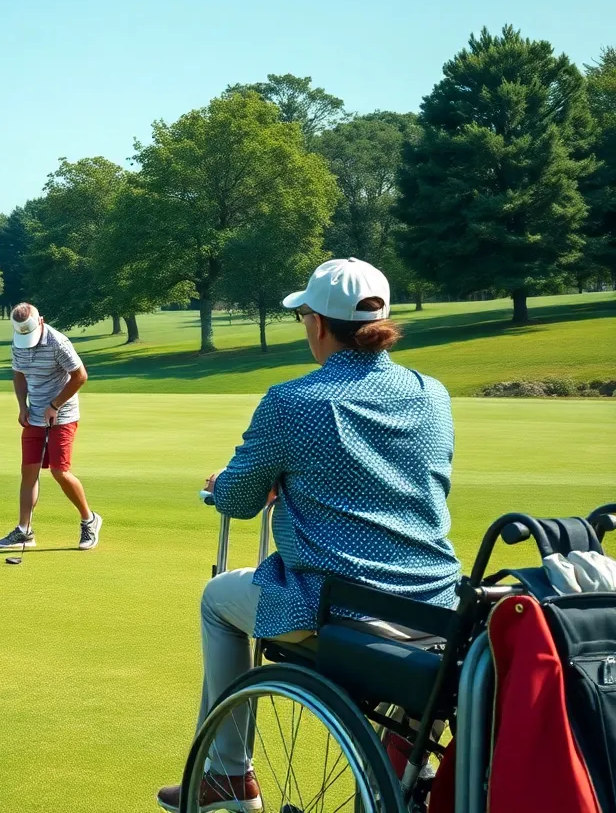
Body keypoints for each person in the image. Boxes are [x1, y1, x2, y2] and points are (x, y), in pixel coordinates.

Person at [156, 258, 460, 812]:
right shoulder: (431, 393)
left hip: (336, 607)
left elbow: (238, 501)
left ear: (318, 324)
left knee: (217, 599)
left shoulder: (293, 402)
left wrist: (237, 483)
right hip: (436, 606)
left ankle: (227, 775)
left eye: (303, 320)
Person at [0, 302, 102, 551]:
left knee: (59, 471)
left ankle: (90, 519)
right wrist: (22, 406)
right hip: (34, 415)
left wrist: (54, 405)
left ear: (40, 321)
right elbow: (18, 374)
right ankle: (24, 531)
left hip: (62, 415)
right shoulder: (18, 339)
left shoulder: (57, 342)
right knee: (28, 471)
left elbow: (80, 376)